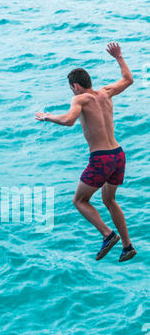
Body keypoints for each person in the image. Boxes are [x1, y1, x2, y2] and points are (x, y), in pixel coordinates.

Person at [35, 42, 137, 262]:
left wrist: (47, 116)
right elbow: (129, 79)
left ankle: (108, 234)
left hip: (101, 159)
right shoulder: (106, 92)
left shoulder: (79, 98)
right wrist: (118, 57)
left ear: (76, 86)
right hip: (118, 155)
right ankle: (128, 246)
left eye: (71, 88)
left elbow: (70, 120)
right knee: (109, 200)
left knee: (79, 201)